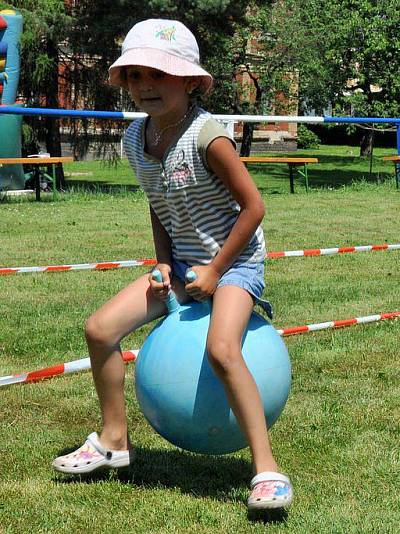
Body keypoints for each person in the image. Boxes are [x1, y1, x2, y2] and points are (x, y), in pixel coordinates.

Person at [50, 19, 293, 512]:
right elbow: (158, 203)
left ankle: (267, 470)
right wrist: (164, 261)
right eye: (136, 76)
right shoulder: (136, 141)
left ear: (189, 81)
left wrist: (216, 271)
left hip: (235, 263)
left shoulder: (208, 136)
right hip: (181, 263)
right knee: (99, 329)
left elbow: (254, 209)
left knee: (223, 349)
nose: (145, 87)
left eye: (158, 75)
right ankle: (115, 441)